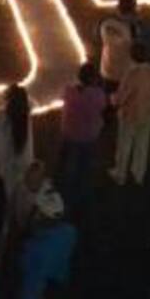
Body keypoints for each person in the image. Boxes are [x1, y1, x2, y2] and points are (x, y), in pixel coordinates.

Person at [109, 42, 150, 186]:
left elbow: (121, 98)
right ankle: (138, 173)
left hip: (129, 114)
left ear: (132, 55)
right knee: (143, 144)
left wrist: (112, 98)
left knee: (125, 144)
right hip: (149, 113)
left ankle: (120, 174)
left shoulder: (131, 74)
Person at [56, 63, 107, 212]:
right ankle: (80, 196)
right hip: (87, 136)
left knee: (65, 158)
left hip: (68, 131)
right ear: (93, 79)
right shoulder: (97, 95)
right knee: (83, 166)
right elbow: (103, 107)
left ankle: (60, 183)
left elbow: (63, 97)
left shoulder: (69, 90)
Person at [96, 0, 141, 92]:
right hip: (113, 73)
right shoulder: (110, 25)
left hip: (121, 72)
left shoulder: (108, 24)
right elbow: (124, 42)